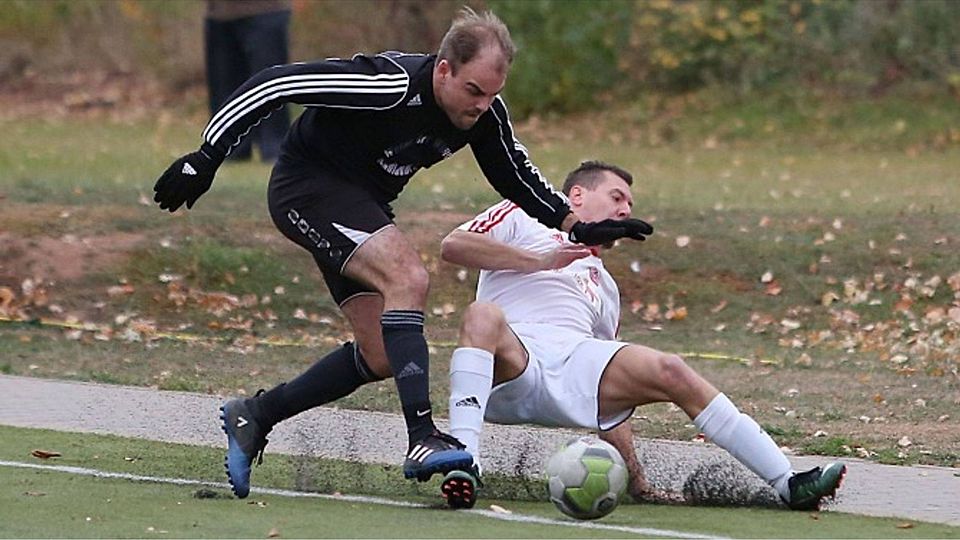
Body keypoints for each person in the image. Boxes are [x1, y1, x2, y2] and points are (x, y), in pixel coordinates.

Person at [153, 8, 653, 499]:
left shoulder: (483, 115)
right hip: (307, 189)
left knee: (379, 353)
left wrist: (577, 225)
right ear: (444, 69)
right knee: (408, 278)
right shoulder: (388, 83)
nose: (481, 105)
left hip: (361, 205)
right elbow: (274, 84)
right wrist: (207, 156)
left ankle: (256, 415)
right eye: (473, 91)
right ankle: (422, 438)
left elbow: (516, 177)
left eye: (492, 94)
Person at [437, 160, 846, 511]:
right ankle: (465, 462)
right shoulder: (522, 212)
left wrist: (636, 480)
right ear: (576, 196)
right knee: (482, 314)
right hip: (510, 359)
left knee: (670, 369)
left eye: (630, 205)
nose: (625, 209)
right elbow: (453, 246)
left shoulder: (606, 287)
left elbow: (609, 392)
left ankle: (788, 483)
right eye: (617, 197)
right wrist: (541, 261)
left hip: (572, 363)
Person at [204, 0, 292, 163]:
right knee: (225, 87)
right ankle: (229, 148)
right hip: (219, 13)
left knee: (269, 84)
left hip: (266, 10)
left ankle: (274, 147)